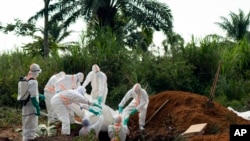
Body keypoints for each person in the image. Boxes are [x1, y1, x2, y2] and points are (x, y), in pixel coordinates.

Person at [22, 63, 42, 141]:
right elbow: (33, 97)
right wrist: (37, 108)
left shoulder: (26, 78)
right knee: (31, 125)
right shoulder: (33, 82)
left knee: (26, 124)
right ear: (36, 72)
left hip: (26, 106)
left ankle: (25, 138)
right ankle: (29, 139)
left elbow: (29, 92)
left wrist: (39, 95)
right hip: (31, 107)